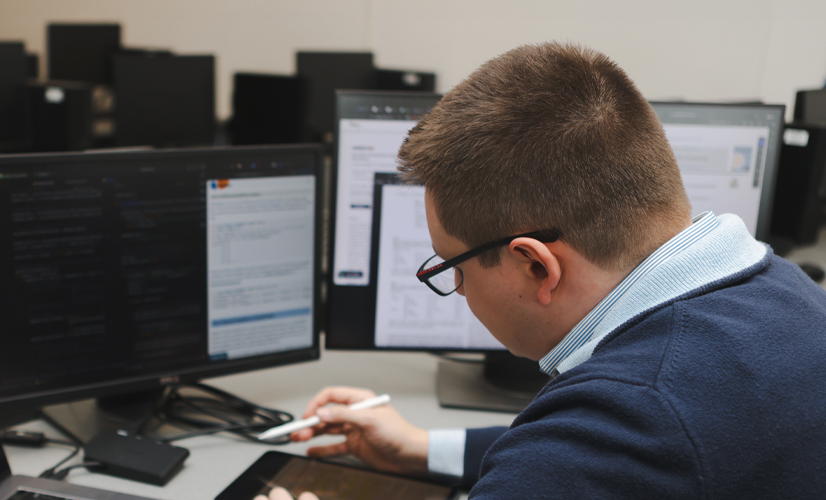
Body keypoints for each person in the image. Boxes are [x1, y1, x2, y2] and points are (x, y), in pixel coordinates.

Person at [264, 42, 826, 499]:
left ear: (535, 265)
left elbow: (580, 452)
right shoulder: (786, 291)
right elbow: (581, 448)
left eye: (452, 267)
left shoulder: (621, 424)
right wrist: (421, 446)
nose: (456, 289)